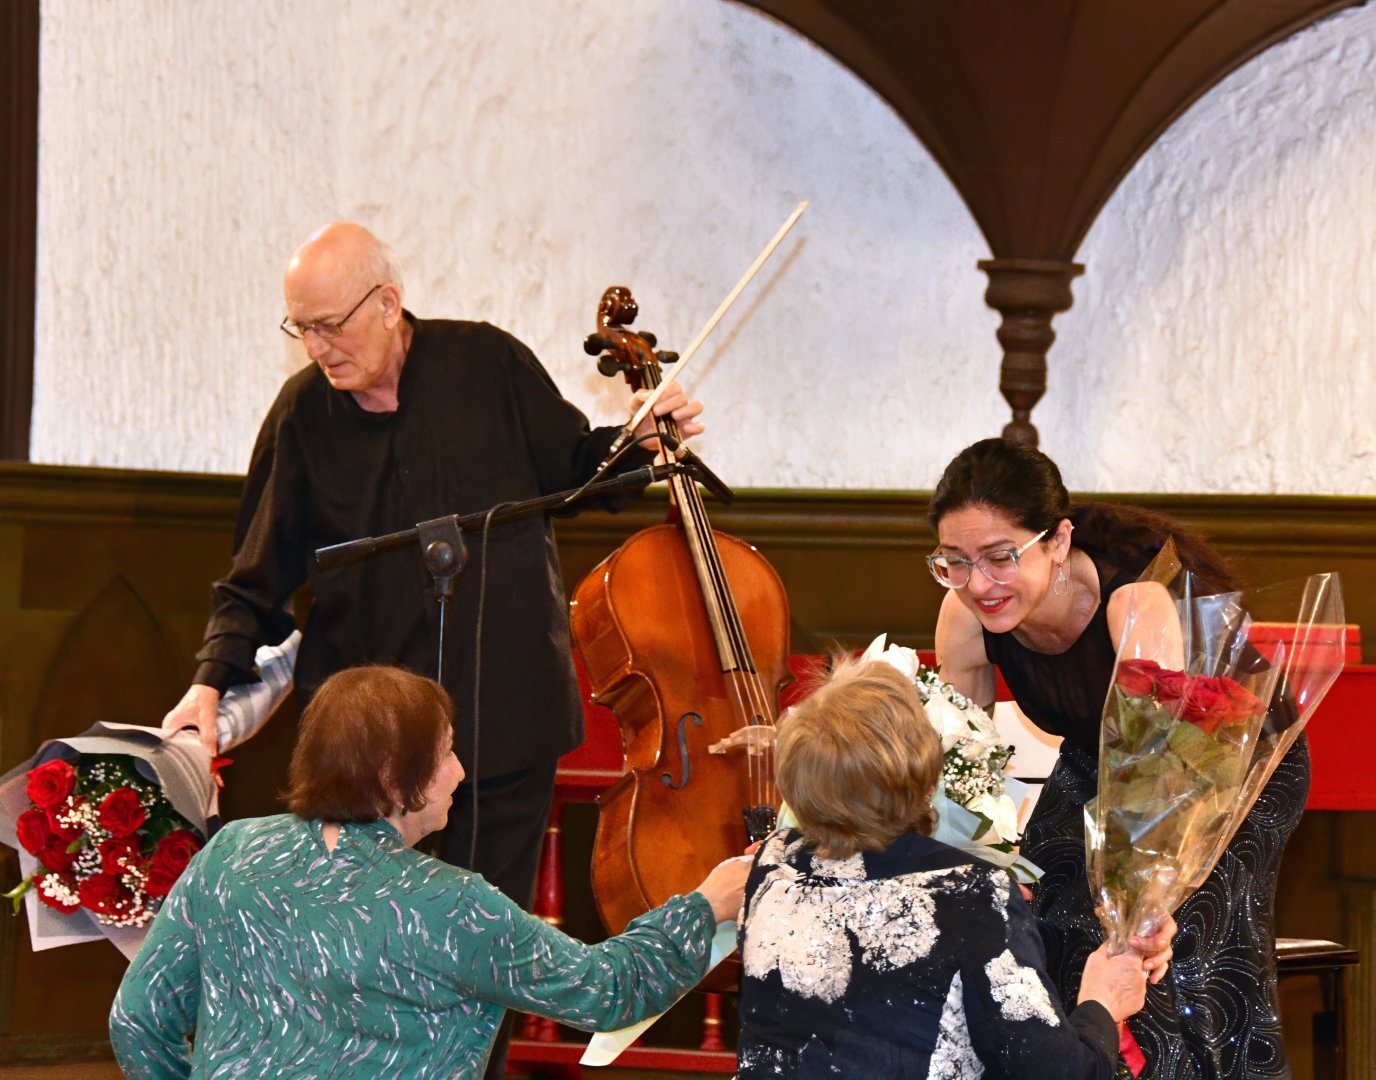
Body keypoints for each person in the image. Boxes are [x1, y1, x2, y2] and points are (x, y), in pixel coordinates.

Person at [160, 221, 701, 910]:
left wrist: (640, 441)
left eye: (330, 324)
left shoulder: (487, 362)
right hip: (367, 736)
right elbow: (256, 576)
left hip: (504, 712)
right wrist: (208, 685)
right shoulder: (301, 414)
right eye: (301, 329)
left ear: (387, 303)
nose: (318, 348)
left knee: (485, 938)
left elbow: (572, 472)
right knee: (358, 938)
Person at [115, 665, 750, 1078]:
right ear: (397, 780)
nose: (460, 774)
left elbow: (137, 1023)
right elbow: (608, 992)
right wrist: (706, 904)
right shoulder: (451, 905)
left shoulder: (230, 855)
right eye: (446, 754)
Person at [927, 437, 1307, 1079]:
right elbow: (960, 775)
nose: (979, 585)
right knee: (1037, 907)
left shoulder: (1135, 603)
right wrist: (968, 870)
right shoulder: (962, 617)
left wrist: (1150, 903)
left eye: (1000, 558)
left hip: (1230, 762)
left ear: (1057, 540)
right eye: (954, 562)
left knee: (1163, 943)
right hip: (1100, 753)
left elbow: (1167, 777)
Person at [736, 657, 1173, 1079]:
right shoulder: (970, 891)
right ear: (929, 782)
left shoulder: (773, 862)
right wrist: (1102, 1002)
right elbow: (1055, 1070)